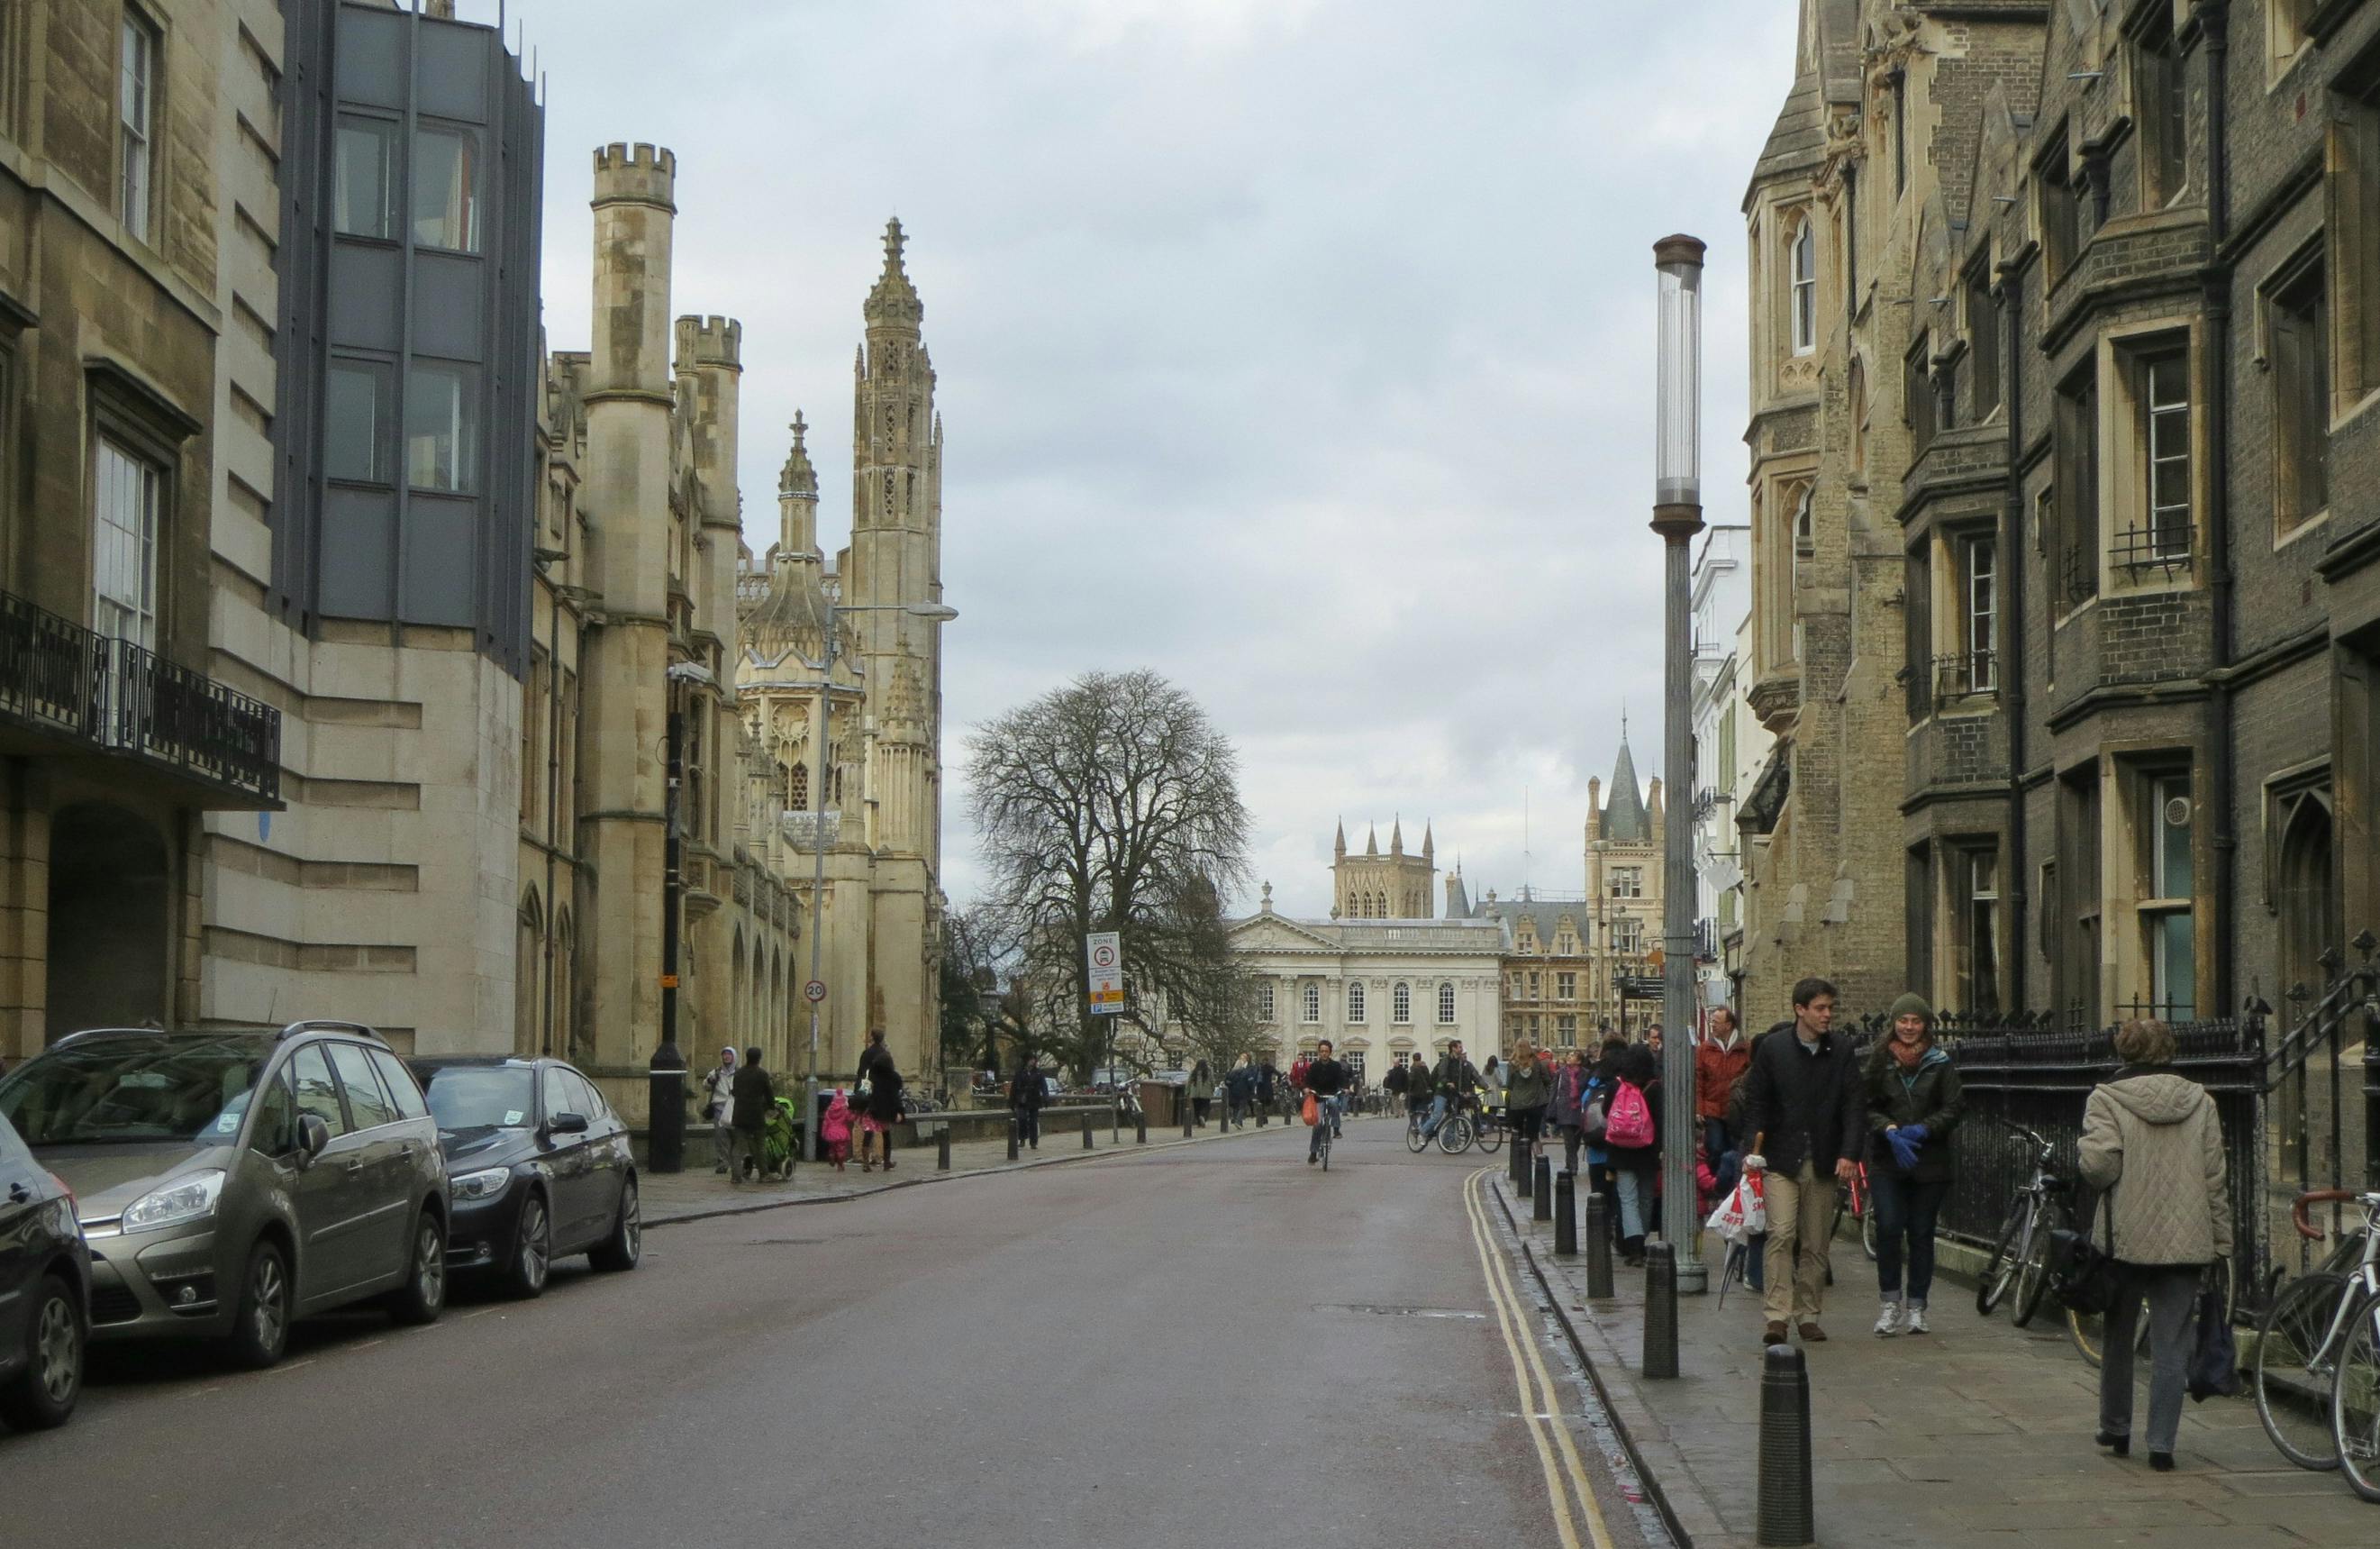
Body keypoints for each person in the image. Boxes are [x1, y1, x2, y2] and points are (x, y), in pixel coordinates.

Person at [2081, 1017, 2232, 1472]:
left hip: (2127, 1238)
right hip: (2187, 1240)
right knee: (2172, 1344)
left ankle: (2116, 1426)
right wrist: (2221, 1240)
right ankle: (2162, 1444)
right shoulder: (2201, 1102)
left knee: (2118, 1335)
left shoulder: (2105, 1098)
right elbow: (2214, 1178)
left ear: (2123, 1051)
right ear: (2170, 1051)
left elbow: (2099, 1168)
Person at [1739, 977, 1863, 1344]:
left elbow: (1853, 1104)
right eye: (1820, 1008)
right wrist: (1752, 1149)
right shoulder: (1774, 1049)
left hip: (1822, 1158)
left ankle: (1808, 1313)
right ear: (1800, 1010)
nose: (1827, 1015)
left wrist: (1850, 1152)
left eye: (1830, 1008)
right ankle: (1777, 1315)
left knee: (1815, 1242)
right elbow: (1756, 1103)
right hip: (1779, 1157)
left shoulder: (1840, 1050)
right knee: (1781, 1233)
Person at [1863, 993, 1963, 1337]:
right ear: (1893, 1024)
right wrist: (1889, 1130)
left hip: (1929, 1162)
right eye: (1903, 1021)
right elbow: (1867, 1105)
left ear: (1925, 1026)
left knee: (1921, 1233)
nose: (1908, 1027)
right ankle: (1890, 1304)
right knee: (1889, 1227)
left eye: (1915, 1021)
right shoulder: (1879, 1062)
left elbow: (1953, 1108)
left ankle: (1917, 1306)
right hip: (1888, 1160)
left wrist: (1924, 1129)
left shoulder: (1941, 1063)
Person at [1604, 1043, 1663, 1266]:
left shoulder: (1616, 1086)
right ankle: (1643, 1238)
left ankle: (1635, 1247)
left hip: (1621, 1150)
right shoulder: (1655, 1087)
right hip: (1647, 1151)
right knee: (1646, 1196)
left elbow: (1605, 1113)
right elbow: (1660, 1120)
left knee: (1627, 1199)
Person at [1694, 1008, 1750, 1195]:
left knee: (1735, 1150)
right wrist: (1699, 1107)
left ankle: (1733, 1191)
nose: (1712, 1025)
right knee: (1716, 1147)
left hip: (1736, 1109)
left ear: (1728, 1025)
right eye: (1712, 1021)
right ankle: (1715, 1187)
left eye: (1716, 1021)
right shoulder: (1705, 1049)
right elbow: (1699, 1079)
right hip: (1712, 1108)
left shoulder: (1744, 1048)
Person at [856, 1030, 905, 1171]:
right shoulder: (893, 1077)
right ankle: (886, 1162)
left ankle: (865, 1163)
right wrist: (899, 1111)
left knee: (868, 1133)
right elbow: (896, 1096)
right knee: (886, 1135)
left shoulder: (871, 1073)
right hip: (886, 1110)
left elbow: (863, 1082)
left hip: (872, 1108)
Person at [1420, 1041, 1483, 1142]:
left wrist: (1469, 1090)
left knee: (1454, 1117)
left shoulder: (1460, 1063)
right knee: (1438, 1115)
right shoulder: (1446, 1060)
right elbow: (1442, 1073)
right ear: (1453, 1048)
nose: (1461, 1049)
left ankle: (1447, 1140)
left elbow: (1466, 1079)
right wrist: (1447, 1082)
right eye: (1460, 1047)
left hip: (1453, 1093)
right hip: (1442, 1092)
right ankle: (1423, 1132)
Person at [728, 1045, 774, 1184]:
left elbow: (734, 1092)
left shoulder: (739, 1073)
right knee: (759, 1146)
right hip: (756, 1115)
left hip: (740, 1114)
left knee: (738, 1146)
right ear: (759, 1059)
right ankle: (764, 1174)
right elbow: (769, 1095)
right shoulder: (762, 1074)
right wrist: (769, 1106)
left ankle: (736, 1176)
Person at [1303, 1039, 1350, 1164]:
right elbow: (1308, 1080)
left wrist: (1346, 1088)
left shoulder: (1336, 1066)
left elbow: (1342, 1078)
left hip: (1332, 1094)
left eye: (1326, 1051)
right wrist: (1307, 1088)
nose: (1324, 1053)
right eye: (1322, 1051)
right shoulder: (1314, 1066)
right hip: (1318, 1097)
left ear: (1330, 1052)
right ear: (1319, 1052)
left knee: (1334, 1103)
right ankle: (1313, 1153)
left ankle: (1336, 1129)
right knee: (1318, 1125)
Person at [1549, 1047, 1594, 1175]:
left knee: (1577, 1140)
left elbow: (1588, 1091)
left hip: (1579, 1110)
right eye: (1569, 1055)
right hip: (1564, 1109)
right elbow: (1554, 1091)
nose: (1569, 1056)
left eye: (1573, 1055)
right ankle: (1573, 1166)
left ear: (1579, 1061)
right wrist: (1551, 1109)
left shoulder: (1586, 1073)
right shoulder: (1560, 1073)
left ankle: (1569, 1163)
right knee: (1568, 1140)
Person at [1503, 1039, 1550, 1158]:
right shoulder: (1537, 1062)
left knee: (1518, 1134)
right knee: (1534, 1135)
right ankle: (1539, 1160)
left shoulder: (1512, 1064)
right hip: (1536, 1103)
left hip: (1518, 1105)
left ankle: (1522, 1162)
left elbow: (1509, 1084)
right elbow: (1547, 1080)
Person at [703, 1046, 739, 1174]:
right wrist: (709, 1082)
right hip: (719, 1108)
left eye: (729, 1055)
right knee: (721, 1137)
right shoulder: (716, 1072)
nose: (726, 1057)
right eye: (724, 1054)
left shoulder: (739, 1073)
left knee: (735, 1137)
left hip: (735, 1109)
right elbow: (705, 1086)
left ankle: (736, 1163)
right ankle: (723, 1162)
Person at [1010, 1054, 1046, 1151]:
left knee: (1033, 1121)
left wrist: (1046, 1098)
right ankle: (1022, 1138)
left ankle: (1033, 1142)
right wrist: (1012, 1101)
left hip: (1034, 1099)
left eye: (1034, 1060)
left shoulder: (1038, 1073)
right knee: (1022, 1119)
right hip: (1023, 1099)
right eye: (1030, 1060)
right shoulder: (1020, 1073)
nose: (1032, 1062)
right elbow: (1014, 1088)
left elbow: (1044, 1086)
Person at [820, 1088, 854, 1171]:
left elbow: (825, 1122)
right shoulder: (845, 1110)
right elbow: (850, 1118)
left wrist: (824, 1132)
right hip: (842, 1132)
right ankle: (840, 1164)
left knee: (832, 1147)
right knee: (841, 1149)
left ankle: (831, 1155)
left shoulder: (829, 1110)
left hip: (831, 1132)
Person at [1225, 1052, 1258, 1129]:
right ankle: (1238, 1121)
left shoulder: (1231, 1073)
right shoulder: (1246, 1072)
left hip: (1233, 1092)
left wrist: (1231, 1086)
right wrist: (1251, 1090)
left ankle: (1238, 1123)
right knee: (1242, 1107)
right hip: (1243, 1091)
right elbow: (1250, 1082)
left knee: (1236, 1107)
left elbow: (1226, 1081)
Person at [1190, 1059, 1212, 1126]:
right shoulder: (1208, 1072)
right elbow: (1212, 1081)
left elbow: (1189, 1082)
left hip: (1195, 1093)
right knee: (1206, 1106)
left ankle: (1199, 1123)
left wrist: (1187, 1091)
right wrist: (1212, 1089)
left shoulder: (1194, 1071)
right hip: (1205, 1093)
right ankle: (1203, 1116)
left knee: (1197, 1108)